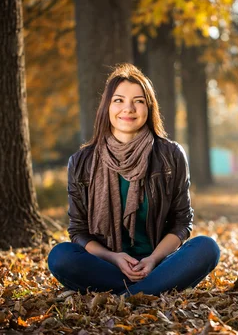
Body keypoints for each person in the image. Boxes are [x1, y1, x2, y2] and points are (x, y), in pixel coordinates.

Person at [47, 63, 220, 296]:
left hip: (159, 264)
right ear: (106, 107)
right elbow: (78, 231)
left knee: (207, 248)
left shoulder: (170, 155)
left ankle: (129, 294)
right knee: (60, 256)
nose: (128, 108)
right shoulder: (81, 161)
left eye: (138, 100)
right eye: (118, 100)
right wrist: (114, 258)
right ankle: (149, 291)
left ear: (149, 107)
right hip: (107, 266)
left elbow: (182, 221)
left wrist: (153, 259)